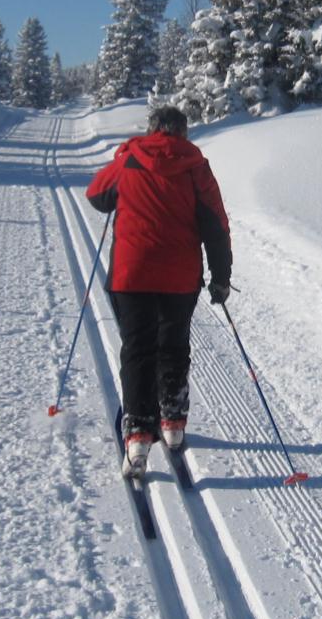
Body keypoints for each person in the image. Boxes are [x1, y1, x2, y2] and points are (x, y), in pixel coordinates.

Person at [85, 105, 232, 479]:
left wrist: (123, 169)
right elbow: (216, 225)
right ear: (183, 132)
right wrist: (220, 277)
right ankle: (173, 423)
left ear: (152, 130)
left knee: (138, 349)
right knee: (173, 343)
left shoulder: (130, 159)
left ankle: (137, 435)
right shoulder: (196, 167)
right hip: (180, 277)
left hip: (131, 274)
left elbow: (96, 195)